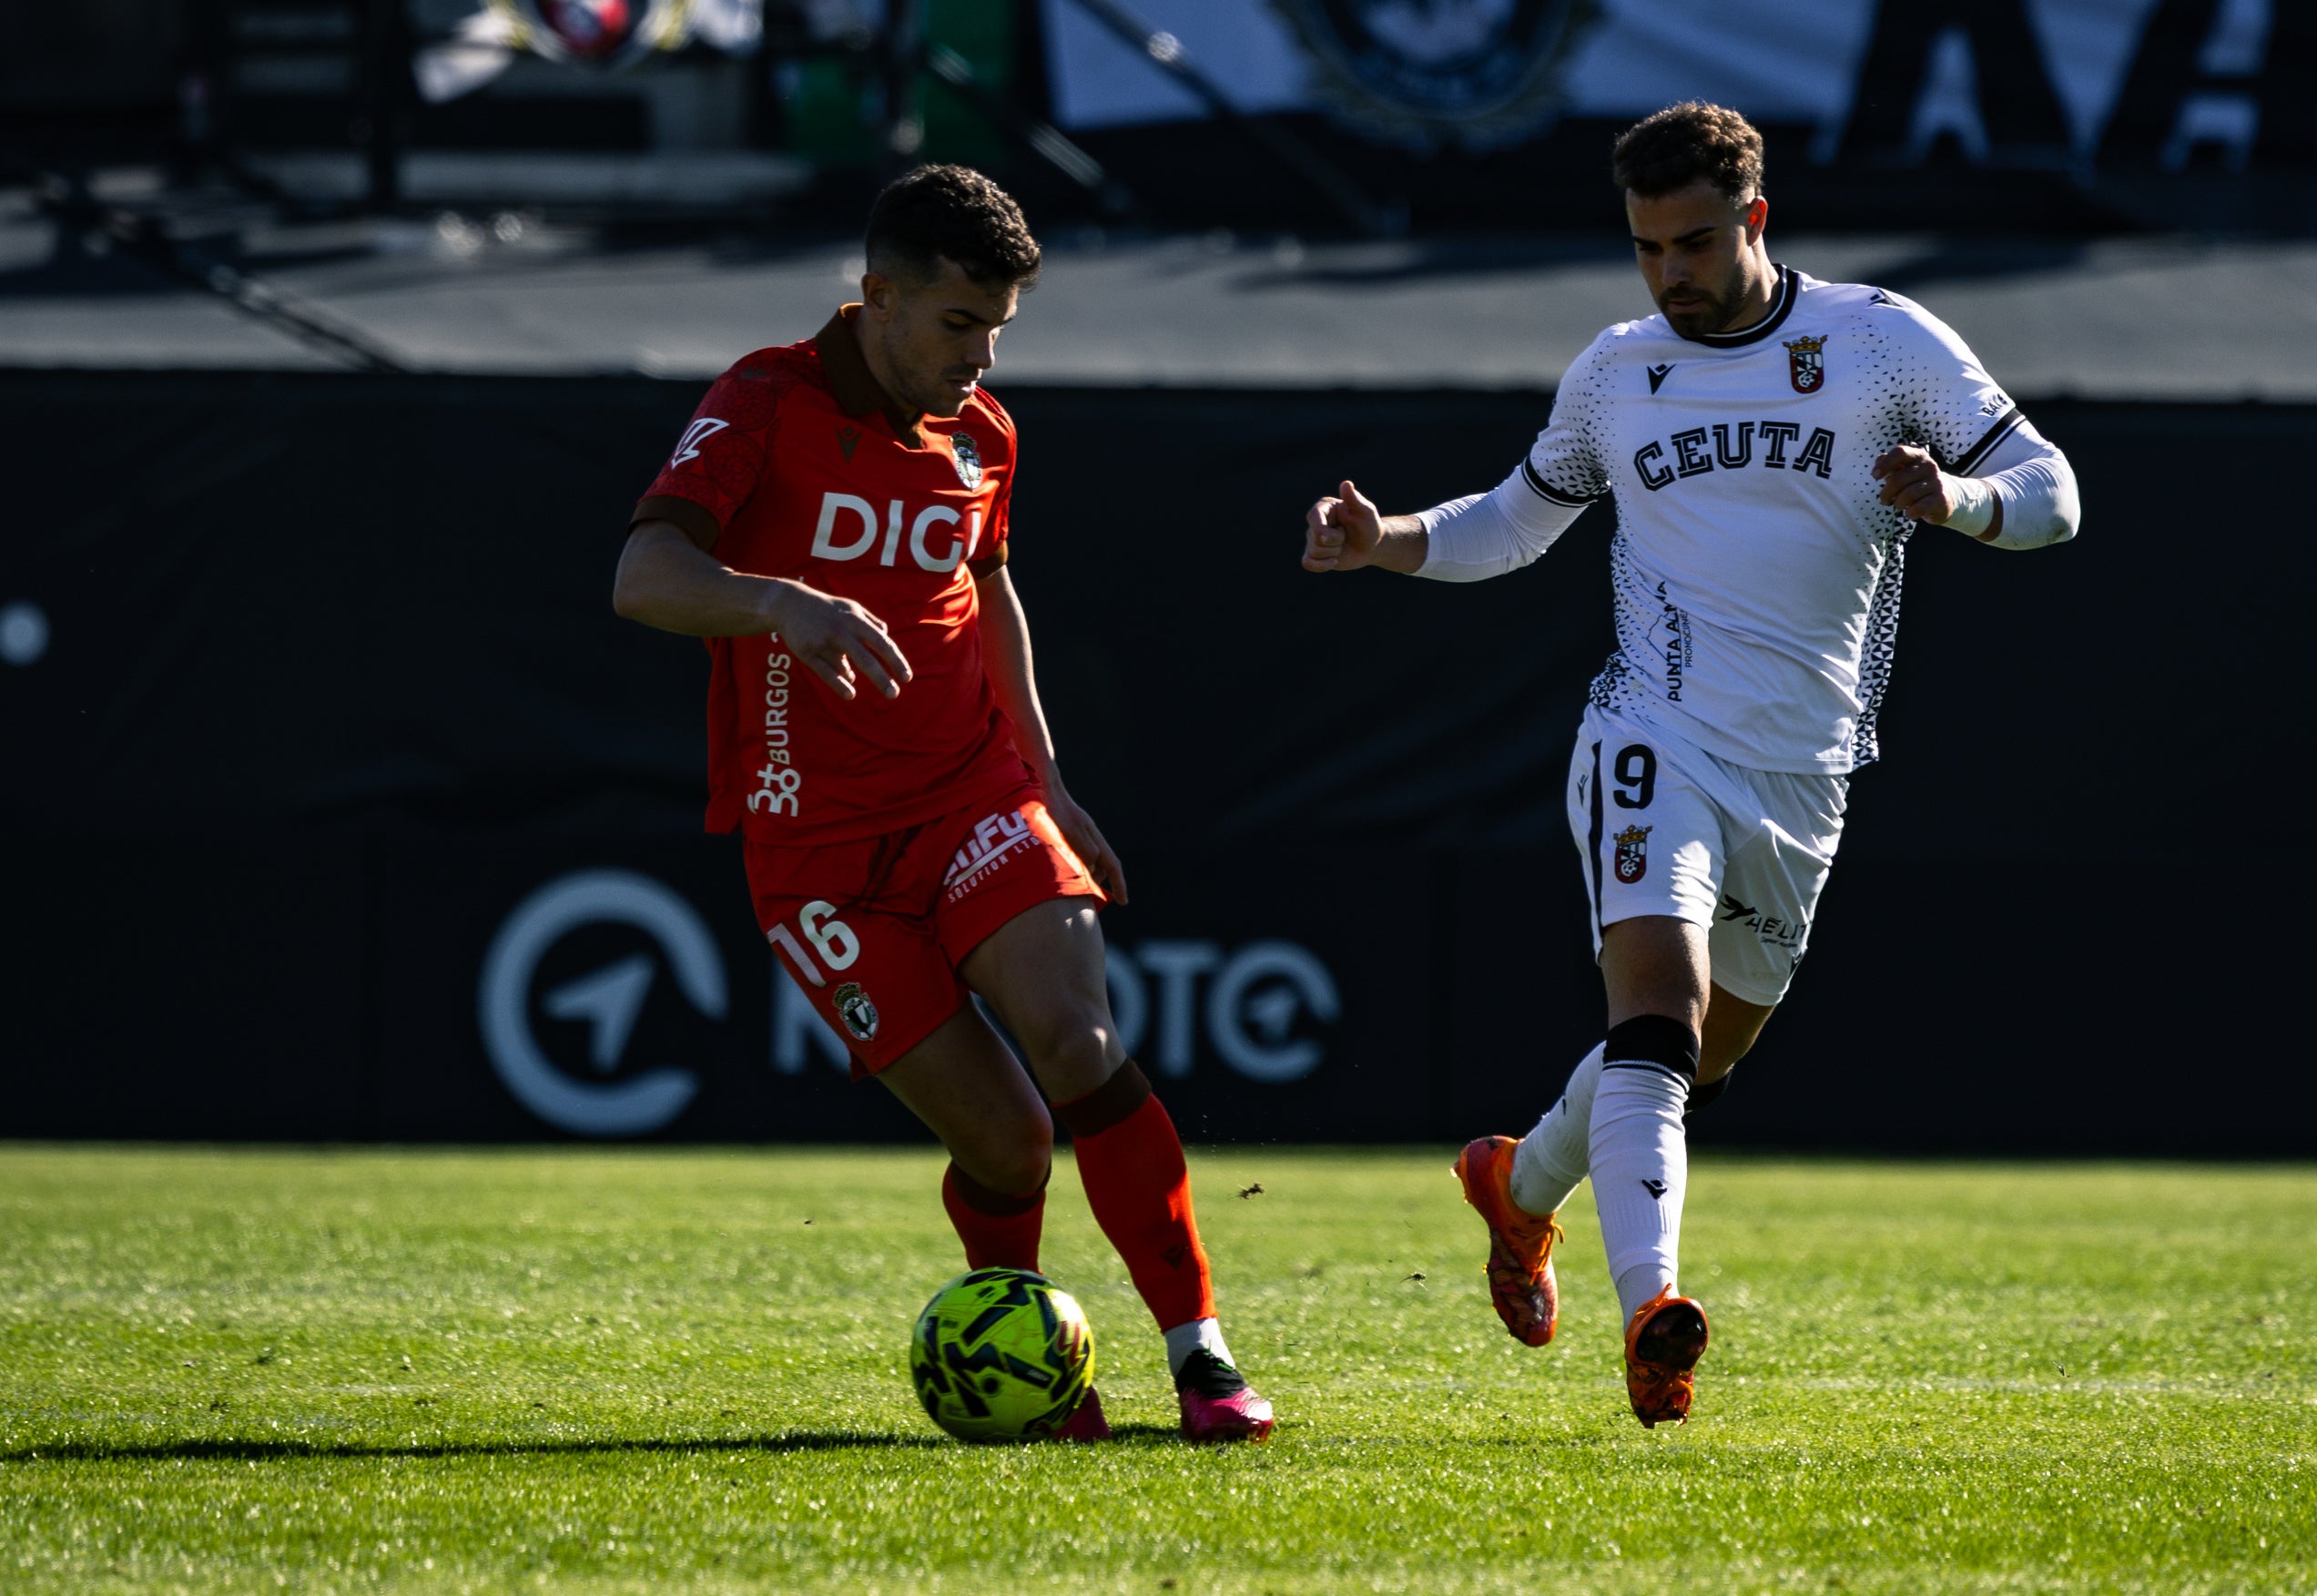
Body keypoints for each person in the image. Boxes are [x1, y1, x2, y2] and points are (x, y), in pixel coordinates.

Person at [1297, 102, 2079, 1426]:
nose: (1673, 275)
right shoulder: (1617, 369)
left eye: (1698, 244)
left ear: (1756, 222)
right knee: (1653, 1015)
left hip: (1807, 773)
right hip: (1653, 732)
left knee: (1698, 1065)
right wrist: (1390, 542)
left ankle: (1519, 1184)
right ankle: (1654, 1314)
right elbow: (1513, 524)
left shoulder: (1877, 341)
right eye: (1649, 249)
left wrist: (1960, 502)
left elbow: (2055, 494)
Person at [614, 165, 1274, 1444]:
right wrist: (777, 602)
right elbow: (643, 573)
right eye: (958, 324)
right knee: (1012, 1145)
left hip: (974, 794)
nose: (979, 359)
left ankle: (1202, 1359)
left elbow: (991, 598)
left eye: (1000, 332)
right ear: (875, 299)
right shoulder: (763, 402)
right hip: (816, 854)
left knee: (1078, 1043)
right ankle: (1039, 1380)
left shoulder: (985, 437)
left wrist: (1052, 781)